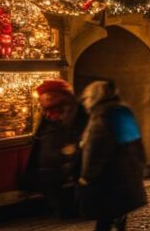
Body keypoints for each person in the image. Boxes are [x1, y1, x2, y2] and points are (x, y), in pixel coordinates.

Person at [77, 81, 146, 231]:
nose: (85, 102)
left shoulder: (101, 115)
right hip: (126, 175)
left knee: (104, 220)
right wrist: (140, 164)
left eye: (87, 98)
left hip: (109, 178)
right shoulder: (123, 111)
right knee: (116, 215)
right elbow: (135, 143)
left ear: (94, 97)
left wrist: (86, 177)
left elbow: (95, 150)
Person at [26, 79, 87, 220]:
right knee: (59, 205)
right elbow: (40, 141)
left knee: (70, 207)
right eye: (44, 96)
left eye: (51, 96)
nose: (46, 99)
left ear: (63, 95)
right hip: (49, 167)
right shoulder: (45, 116)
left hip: (69, 166)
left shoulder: (77, 113)